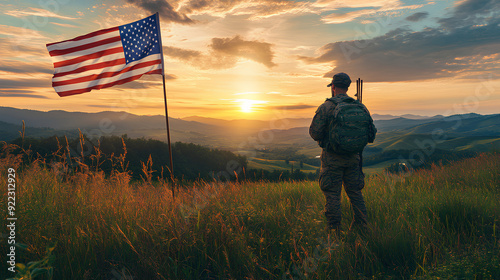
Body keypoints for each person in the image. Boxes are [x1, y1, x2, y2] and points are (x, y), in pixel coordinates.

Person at [309, 72, 375, 234]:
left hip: (332, 159)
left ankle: (334, 232)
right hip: (354, 159)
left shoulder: (326, 107)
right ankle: (363, 228)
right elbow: (371, 134)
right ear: (347, 87)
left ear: (333, 87)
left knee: (332, 195)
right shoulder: (360, 106)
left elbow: (314, 133)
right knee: (355, 193)